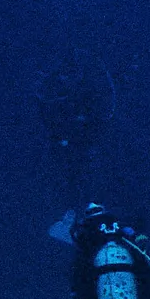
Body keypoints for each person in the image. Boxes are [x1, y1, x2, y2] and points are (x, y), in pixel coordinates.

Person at [34, 53, 113, 199]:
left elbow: (101, 113)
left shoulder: (88, 88)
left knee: (82, 169)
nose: (66, 79)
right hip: (65, 136)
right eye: (64, 76)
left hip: (83, 135)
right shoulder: (53, 89)